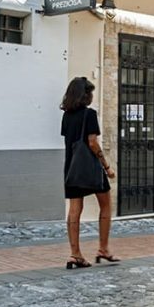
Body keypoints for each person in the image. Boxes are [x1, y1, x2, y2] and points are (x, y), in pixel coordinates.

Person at [60, 77, 117, 269]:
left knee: (74, 209)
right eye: (90, 92)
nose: (92, 96)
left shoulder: (66, 116)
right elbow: (92, 142)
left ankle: (75, 253)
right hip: (90, 168)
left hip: (72, 168)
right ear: (85, 95)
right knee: (106, 204)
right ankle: (103, 248)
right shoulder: (90, 114)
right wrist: (106, 166)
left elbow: (68, 141)